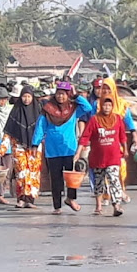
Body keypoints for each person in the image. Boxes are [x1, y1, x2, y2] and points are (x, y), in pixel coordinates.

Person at [31, 81, 93, 215]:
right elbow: (40, 127)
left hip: (69, 148)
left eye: (64, 94)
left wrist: (76, 96)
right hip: (52, 150)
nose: (60, 97)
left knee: (72, 177)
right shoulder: (48, 109)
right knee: (56, 178)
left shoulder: (73, 109)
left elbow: (88, 108)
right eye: (58, 94)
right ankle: (57, 206)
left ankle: (71, 198)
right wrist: (35, 144)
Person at [76, 97, 128, 216]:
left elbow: (123, 136)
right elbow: (85, 137)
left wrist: (125, 149)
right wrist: (78, 152)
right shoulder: (94, 120)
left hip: (113, 157)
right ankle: (98, 206)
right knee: (98, 181)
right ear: (100, 106)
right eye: (105, 105)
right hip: (97, 158)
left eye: (109, 106)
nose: (107, 108)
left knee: (114, 180)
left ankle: (116, 205)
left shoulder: (117, 119)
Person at [0, 85, 43, 209]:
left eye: (29, 96)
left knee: (33, 173)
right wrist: (2, 149)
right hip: (18, 146)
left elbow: (43, 128)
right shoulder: (16, 111)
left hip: (35, 146)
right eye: (24, 96)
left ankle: (30, 199)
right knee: (21, 172)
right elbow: (8, 132)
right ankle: (21, 199)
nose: (26, 99)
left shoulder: (38, 111)